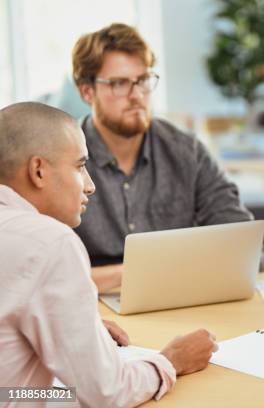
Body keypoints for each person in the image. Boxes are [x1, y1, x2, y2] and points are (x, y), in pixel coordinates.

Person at [0, 102, 217, 407]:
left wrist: (69, 326)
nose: (90, 186)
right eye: (79, 166)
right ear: (38, 170)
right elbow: (106, 393)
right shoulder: (51, 242)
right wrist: (171, 361)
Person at [71, 23, 253, 293]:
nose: (137, 96)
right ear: (87, 92)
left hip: (177, 298)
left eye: (143, 80)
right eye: (120, 84)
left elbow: (241, 244)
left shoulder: (186, 151)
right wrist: (132, 275)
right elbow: (43, 272)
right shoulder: (63, 159)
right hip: (92, 312)